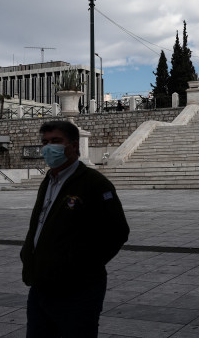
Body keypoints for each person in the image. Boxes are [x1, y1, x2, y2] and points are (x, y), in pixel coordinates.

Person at [20, 120, 130, 338]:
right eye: (45, 142)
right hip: (41, 285)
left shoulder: (94, 183)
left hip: (77, 290)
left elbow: (117, 231)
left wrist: (80, 267)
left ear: (73, 145)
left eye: (56, 141)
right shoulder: (49, 180)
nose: (49, 147)